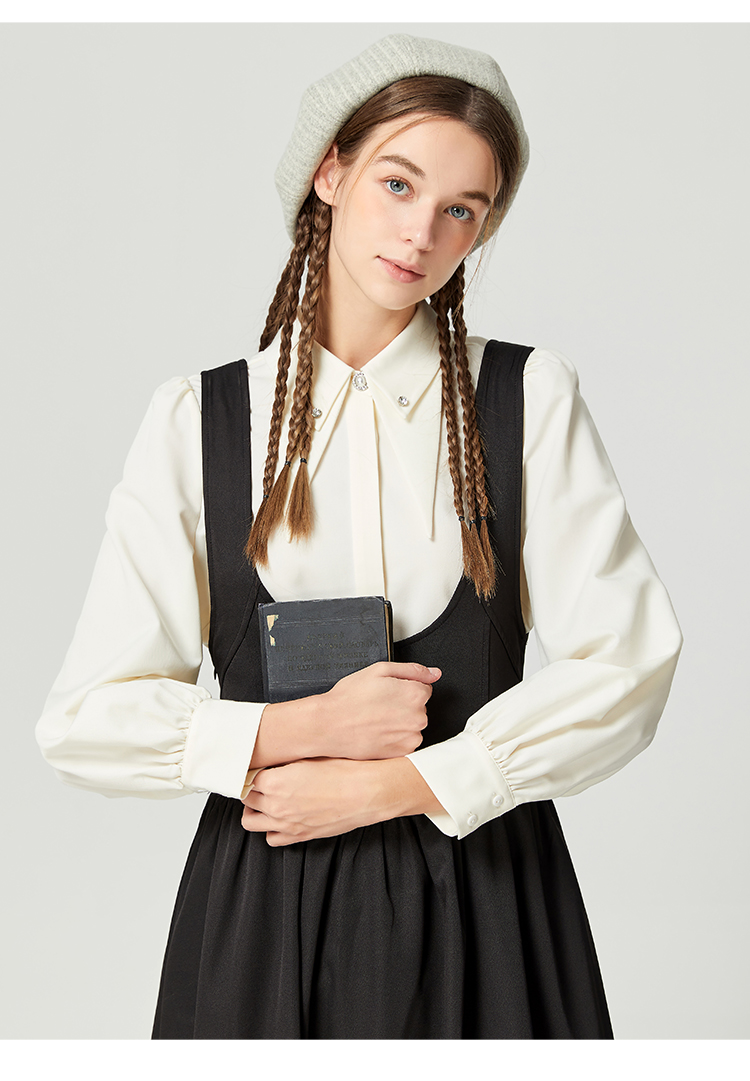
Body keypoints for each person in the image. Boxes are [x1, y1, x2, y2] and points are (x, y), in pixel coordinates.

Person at [36, 33, 682, 1039]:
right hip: (263, 906)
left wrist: (400, 783)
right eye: (397, 182)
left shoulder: (525, 400)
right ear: (329, 173)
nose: (420, 231)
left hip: (490, 896)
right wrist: (296, 732)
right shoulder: (199, 421)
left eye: (461, 209)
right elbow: (84, 718)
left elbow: (629, 663)